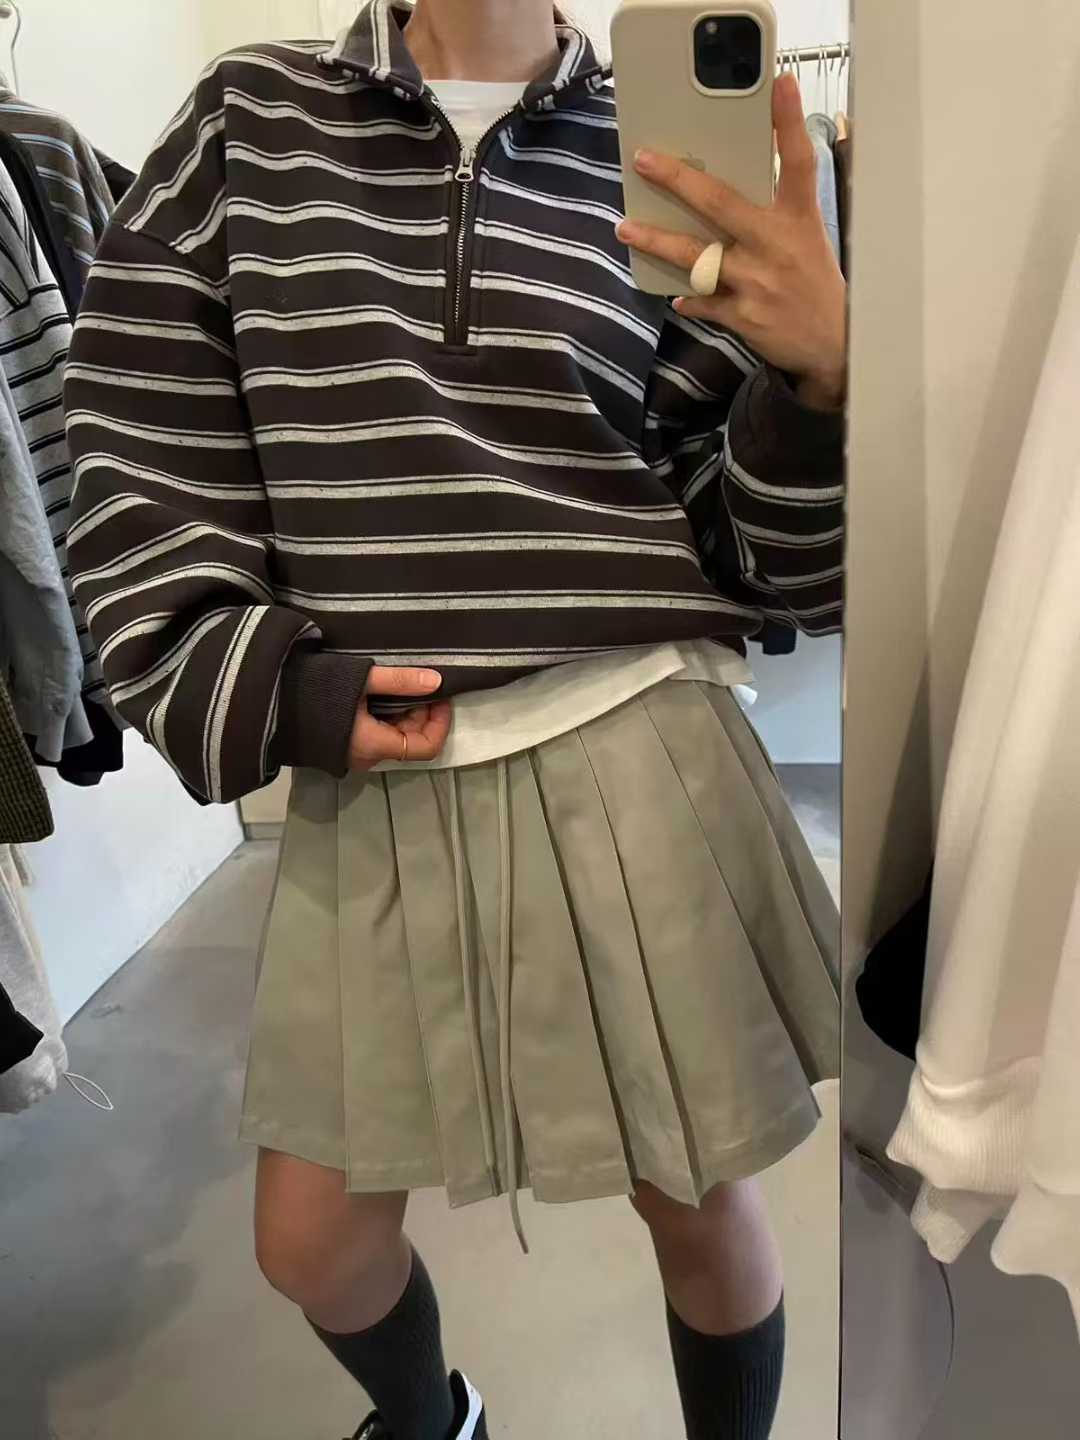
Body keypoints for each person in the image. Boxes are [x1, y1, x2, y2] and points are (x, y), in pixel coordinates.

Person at [64, 2, 846, 1437]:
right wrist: (259, 678)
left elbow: (765, 555)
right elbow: (141, 440)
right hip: (379, 762)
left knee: (699, 1200)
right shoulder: (249, 125)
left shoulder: (661, 146)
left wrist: (819, 382)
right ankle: (435, 1425)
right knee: (311, 1239)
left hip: (637, 735)